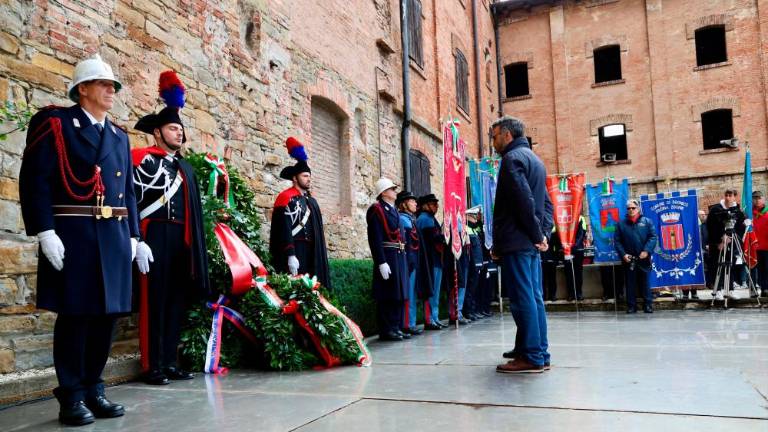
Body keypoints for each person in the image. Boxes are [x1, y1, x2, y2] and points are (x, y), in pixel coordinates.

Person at [19, 54, 139, 426]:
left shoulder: (119, 135)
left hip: (114, 235)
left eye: (114, 85)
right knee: (76, 316)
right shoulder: (56, 123)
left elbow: (129, 192)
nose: (112, 91)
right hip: (75, 234)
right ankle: (70, 395)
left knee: (106, 316)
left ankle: (93, 388)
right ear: (82, 89)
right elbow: (35, 178)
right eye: (104, 84)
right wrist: (44, 230)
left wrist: (135, 236)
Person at [131, 71, 211, 385]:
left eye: (180, 128)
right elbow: (131, 201)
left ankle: (169, 361)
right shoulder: (140, 159)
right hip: (153, 237)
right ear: (157, 132)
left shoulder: (185, 168)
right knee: (155, 302)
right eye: (172, 128)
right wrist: (136, 238)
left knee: (176, 301)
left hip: (181, 239)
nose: (178, 133)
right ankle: (152, 365)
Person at [490, 116, 551, 374]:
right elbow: (546, 204)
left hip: (517, 241)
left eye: (494, 137)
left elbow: (523, 201)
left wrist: (538, 235)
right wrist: (542, 234)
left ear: (506, 135)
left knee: (523, 298)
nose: (492, 142)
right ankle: (537, 350)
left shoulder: (511, 159)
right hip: (528, 241)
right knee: (534, 297)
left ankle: (533, 356)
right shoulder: (535, 160)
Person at [269, 137, 331, 289]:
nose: (308, 179)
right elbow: (283, 229)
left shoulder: (312, 201)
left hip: (312, 252)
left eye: (309, 176)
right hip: (295, 249)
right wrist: (290, 255)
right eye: (305, 176)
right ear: (295, 178)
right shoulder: (285, 198)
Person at [367, 178, 410, 341]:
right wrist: (381, 261)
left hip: (398, 255)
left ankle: (396, 326)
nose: (395, 191)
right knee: (388, 294)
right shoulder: (376, 210)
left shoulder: (393, 210)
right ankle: (387, 329)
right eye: (392, 189)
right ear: (384, 192)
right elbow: (375, 238)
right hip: (388, 256)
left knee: (399, 293)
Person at [615, 199, 657, 313]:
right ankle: (631, 306)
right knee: (630, 283)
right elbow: (617, 241)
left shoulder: (647, 221)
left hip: (644, 258)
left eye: (633, 208)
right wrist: (623, 255)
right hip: (629, 260)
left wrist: (647, 251)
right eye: (629, 208)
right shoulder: (621, 224)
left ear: (638, 208)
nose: (631, 210)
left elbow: (653, 237)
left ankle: (648, 305)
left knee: (645, 282)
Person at [397, 190, 429, 335]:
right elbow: (409, 244)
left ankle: (412, 322)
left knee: (413, 293)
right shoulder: (404, 220)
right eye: (412, 201)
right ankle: (407, 324)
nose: (415, 203)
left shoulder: (411, 219)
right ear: (404, 204)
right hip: (410, 262)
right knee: (408, 293)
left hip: (415, 261)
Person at [706, 189, 746, 300]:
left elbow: (739, 226)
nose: (728, 197)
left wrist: (744, 224)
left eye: (730, 195)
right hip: (717, 243)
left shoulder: (737, 210)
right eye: (726, 195)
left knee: (730, 265)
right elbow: (710, 226)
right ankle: (718, 290)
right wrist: (720, 239)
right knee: (718, 265)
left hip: (731, 242)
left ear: (734, 197)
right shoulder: (716, 209)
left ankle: (730, 289)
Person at [416, 193, 447, 330]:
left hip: (436, 259)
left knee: (435, 291)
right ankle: (429, 319)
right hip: (430, 260)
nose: (436, 206)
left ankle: (435, 317)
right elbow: (432, 239)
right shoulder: (425, 219)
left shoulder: (430, 218)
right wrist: (444, 235)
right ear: (426, 205)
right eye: (433, 204)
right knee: (431, 291)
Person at [463, 207, 484, 319]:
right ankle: (468, 311)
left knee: (475, 288)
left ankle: (473, 309)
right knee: (470, 287)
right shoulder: (466, 229)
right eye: (473, 216)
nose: (475, 219)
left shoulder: (474, 229)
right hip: (472, 263)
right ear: (467, 216)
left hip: (477, 262)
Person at [682, 210, 708, 299]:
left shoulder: (696, 220)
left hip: (695, 249)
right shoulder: (683, 219)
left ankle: (694, 292)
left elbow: (700, 235)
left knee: (694, 271)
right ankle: (685, 293)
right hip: (684, 250)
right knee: (685, 271)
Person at [564, 215, 586, 301]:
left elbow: (582, 233)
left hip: (577, 250)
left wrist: (573, 246)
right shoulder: (564, 218)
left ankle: (579, 293)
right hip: (566, 250)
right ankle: (571, 294)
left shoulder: (581, 218)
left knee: (578, 272)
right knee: (568, 272)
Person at [751, 191, 768, 297]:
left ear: (764, 199)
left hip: (766, 246)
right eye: (754, 198)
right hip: (754, 246)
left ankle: (766, 288)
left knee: (766, 268)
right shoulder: (750, 213)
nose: (757, 200)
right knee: (756, 268)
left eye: (759, 198)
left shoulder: (767, 213)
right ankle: (757, 288)